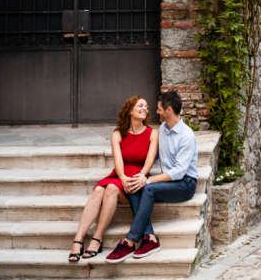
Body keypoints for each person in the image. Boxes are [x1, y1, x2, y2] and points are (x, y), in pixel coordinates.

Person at [105, 89, 198, 263]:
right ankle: (150, 238)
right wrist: (138, 174)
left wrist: (147, 179)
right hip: (170, 181)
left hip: (185, 184)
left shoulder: (186, 136)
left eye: (159, 109)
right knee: (134, 185)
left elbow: (178, 172)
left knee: (147, 188)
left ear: (168, 110)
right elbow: (154, 155)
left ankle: (130, 240)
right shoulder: (163, 129)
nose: (156, 112)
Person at [68, 96, 159, 263]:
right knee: (98, 190)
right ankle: (78, 239)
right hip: (120, 175)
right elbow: (118, 161)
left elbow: (149, 161)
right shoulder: (117, 134)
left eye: (146, 106)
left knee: (110, 189)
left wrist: (141, 176)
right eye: (140, 105)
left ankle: (97, 238)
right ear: (130, 110)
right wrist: (122, 177)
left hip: (138, 178)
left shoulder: (153, 133)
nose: (145, 108)